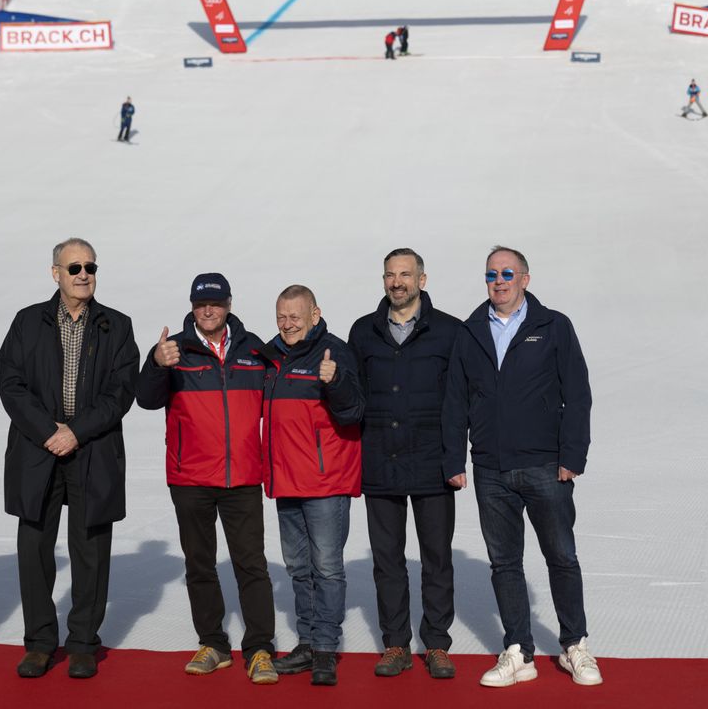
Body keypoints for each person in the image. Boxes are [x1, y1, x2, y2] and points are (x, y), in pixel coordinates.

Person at [443, 246, 601, 689]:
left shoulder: (553, 326)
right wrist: (454, 459)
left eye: (508, 273)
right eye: (491, 274)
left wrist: (572, 456)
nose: (499, 280)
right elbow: (455, 400)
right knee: (504, 562)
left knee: (562, 558)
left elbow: (578, 394)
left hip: (546, 466)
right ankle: (519, 651)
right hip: (492, 468)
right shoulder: (470, 331)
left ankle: (575, 645)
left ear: (525, 279)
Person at [0, 237, 139, 679]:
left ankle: (82, 643)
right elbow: (10, 383)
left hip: (92, 448)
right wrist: (48, 432)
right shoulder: (27, 321)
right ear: (54, 272)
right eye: (73, 267)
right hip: (37, 450)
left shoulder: (117, 325)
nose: (83, 274)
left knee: (91, 550)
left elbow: (121, 392)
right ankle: (40, 642)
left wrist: (75, 431)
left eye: (90, 267)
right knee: (34, 547)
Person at [135, 273, 279, 685]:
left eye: (215, 303)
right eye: (201, 304)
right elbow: (146, 399)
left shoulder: (255, 350)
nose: (208, 310)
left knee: (251, 565)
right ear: (193, 307)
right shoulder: (173, 350)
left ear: (229, 304)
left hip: (243, 476)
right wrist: (155, 364)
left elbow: (280, 400)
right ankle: (214, 643)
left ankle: (260, 649)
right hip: (190, 476)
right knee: (200, 564)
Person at [348, 248, 463, 680]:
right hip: (380, 463)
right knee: (388, 560)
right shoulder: (363, 332)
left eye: (405, 274)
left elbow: (460, 401)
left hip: (434, 464)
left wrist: (456, 458)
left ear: (422, 279)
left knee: (436, 558)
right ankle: (395, 642)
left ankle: (436, 643)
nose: (397, 282)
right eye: (390, 275)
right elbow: (352, 397)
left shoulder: (450, 331)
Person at [260, 285, 364, 687]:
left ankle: (324, 648)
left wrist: (334, 380)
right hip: (286, 480)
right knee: (298, 568)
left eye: (295, 317)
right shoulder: (270, 356)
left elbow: (355, 411)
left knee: (328, 568)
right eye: (281, 317)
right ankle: (306, 641)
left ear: (315, 314)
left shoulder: (334, 352)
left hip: (326, 481)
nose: (287, 325)